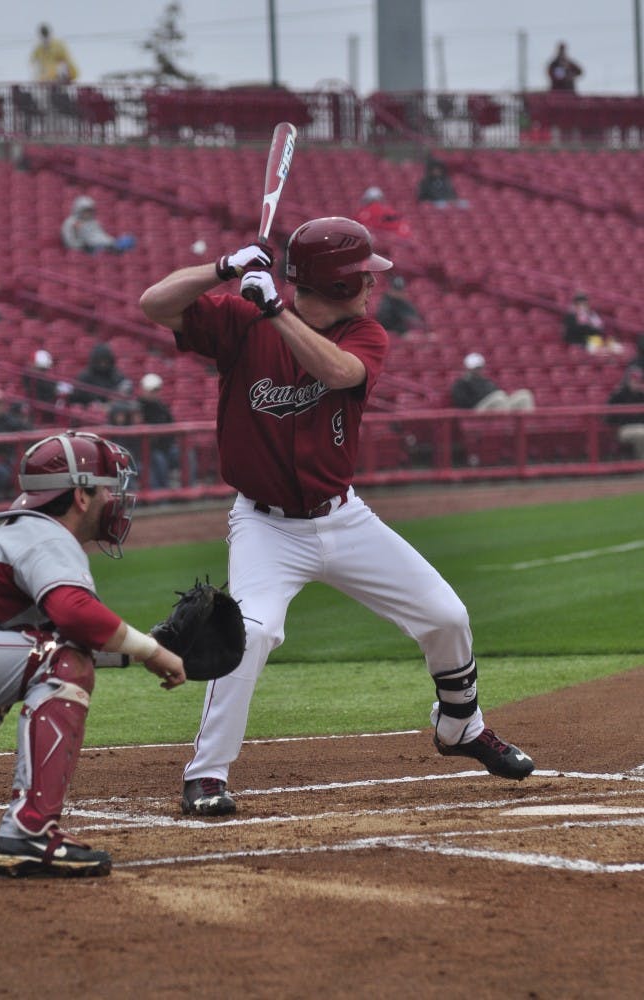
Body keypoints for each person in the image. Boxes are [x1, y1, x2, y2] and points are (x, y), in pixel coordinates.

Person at [139, 216, 535, 818]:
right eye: (364, 277)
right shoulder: (241, 320)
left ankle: (462, 726)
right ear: (341, 282)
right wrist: (222, 268)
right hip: (265, 527)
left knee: (445, 615)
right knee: (253, 633)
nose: (374, 286)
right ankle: (207, 775)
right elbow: (153, 304)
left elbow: (339, 372)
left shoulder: (363, 333)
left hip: (343, 518)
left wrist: (276, 312)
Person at [0, 430, 185, 878]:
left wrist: (153, 652)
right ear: (81, 495)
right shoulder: (46, 535)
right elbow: (72, 617)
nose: (117, 499)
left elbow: (59, 631)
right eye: (109, 487)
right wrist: (152, 651)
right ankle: (29, 833)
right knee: (57, 661)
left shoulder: (26, 532)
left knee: (47, 658)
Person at [0, 387, 31, 501]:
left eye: (0, 403)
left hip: (1, 460)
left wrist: (24, 420)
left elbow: (27, 429)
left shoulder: (7, 418)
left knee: (1, 472)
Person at [137, 373, 181, 489]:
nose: (154, 393)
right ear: (143, 390)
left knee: (185, 453)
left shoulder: (162, 407)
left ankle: (189, 491)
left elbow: (172, 427)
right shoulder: (137, 408)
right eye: (151, 390)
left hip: (166, 447)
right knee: (159, 460)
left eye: (156, 390)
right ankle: (163, 495)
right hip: (148, 450)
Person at [451, 353, 535, 411]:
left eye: (479, 368)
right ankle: (504, 428)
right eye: (475, 368)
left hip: (496, 407)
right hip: (476, 412)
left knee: (524, 395)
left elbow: (498, 393)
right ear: (467, 369)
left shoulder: (487, 382)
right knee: (499, 398)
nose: (477, 370)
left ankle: (528, 429)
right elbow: (463, 404)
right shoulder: (461, 384)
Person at [61, 196, 136, 255]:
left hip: (104, 245)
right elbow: (71, 241)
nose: (89, 213)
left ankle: (117, 249)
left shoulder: (94, 222)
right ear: (79, 210)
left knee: (129, 239)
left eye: (90, 211)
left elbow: (101, 235)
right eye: (86, 211)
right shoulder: (72, 222)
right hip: (89, 249)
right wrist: (84, 247)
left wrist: (110, 241)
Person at [69, 342, 132, 408]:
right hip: (89, 409)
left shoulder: (115, 373)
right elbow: (76, 397)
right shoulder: (85, 376)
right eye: (100, 361)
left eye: (106, 361)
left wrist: (115, 395)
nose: (103, 364)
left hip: (111, 409)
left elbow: (125, 384)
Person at [607, 365, 644, 459]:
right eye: (634, 381)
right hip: (624, 428)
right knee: (642, 433)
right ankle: (640, 462)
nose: (637, 384)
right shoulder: (619, 394)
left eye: (639, 381)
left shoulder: (641, 395)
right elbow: (609, 415)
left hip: (640, 426)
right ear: (628, 381)